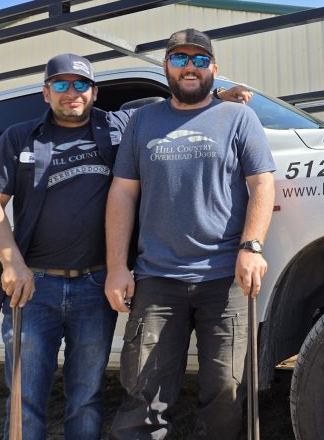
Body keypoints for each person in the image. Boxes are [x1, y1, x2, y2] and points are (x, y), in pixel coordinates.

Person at [0, 51, 250, 440]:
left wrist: (217, 98)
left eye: (81, 84)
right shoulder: (20, 137)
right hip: (34, 287)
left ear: (94, 92)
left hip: (94, 286)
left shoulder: (119, 126)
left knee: (86, 396)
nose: (73, 93)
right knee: (25, 398)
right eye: (62, 84)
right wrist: (11, 262)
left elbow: (170, 108)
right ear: (46, 93)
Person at [104, 28, 276, 440]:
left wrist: (251, 246)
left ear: (214, 68)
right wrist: (116, 268)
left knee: (227, 389)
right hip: (157, 279)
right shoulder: (142, 122)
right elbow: (123, 193)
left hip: (224, 280)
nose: (190, 67)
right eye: (180, 59)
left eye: (199, 60)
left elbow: (263, 183)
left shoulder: (239, 118)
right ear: (166, 67)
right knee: (143, 392)